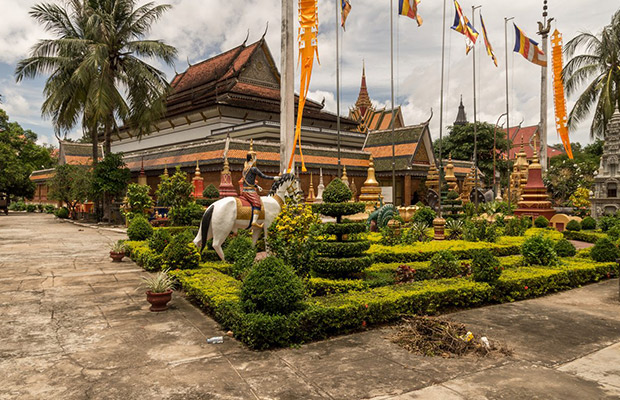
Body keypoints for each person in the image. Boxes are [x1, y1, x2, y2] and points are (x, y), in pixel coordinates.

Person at [240, 140, 278, 228]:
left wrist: (257, 186)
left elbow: (248, 181)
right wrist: (273, 178)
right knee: (257, 203)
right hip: (250, 192)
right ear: (252, 158)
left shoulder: (245, 169)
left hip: (244, 190)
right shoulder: (254, 169)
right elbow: (263, 176)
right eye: (255, 157)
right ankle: (254, 221)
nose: (256, 158)